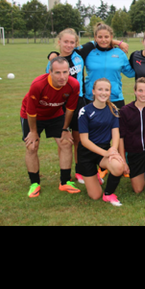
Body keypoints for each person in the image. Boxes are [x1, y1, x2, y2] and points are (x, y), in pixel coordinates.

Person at [20, 56, 81, 197]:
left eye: (65, 72)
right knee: (32, 146)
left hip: (55, 114)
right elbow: (31, 111)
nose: (62, 77)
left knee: (66, 143)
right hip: (32, 116)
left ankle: (65, 182)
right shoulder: (38, 84)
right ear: (50, 72)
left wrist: (65, 129)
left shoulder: (73, 85)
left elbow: (70, 109)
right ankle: (34, 184)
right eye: (57, 73)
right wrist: (33, 132)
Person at [78, 78, 126, 207]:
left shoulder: (113, 110)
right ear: (93, 91)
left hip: (104, 151)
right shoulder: (85, 111)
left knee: (118, 166)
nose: (103, 93)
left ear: (110, 92)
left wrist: (113, 150)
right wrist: (106, 153)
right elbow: (84, 141)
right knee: (95, 196)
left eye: (106, 90)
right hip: (86, 154)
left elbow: (116, 133)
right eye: (100, 89)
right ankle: (95, 176)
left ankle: (108, 194)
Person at [46, 28, 86, 183]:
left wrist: (119, 43)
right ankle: (65, 174)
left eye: (72, 42)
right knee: (64, 141)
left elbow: (97, 42)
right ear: (59, 42)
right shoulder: (53, 62)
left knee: (78, 139)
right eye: (65, 42)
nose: (69, 45)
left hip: (78, 102)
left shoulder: (79, 55)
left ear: (76, 43)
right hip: (60, 104)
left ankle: (80, 171)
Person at [78, 22, 134, 109]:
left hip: (115, 98)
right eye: (100, 37)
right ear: (95, 38)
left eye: (106, 37)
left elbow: (130, 73)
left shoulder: (120, 53)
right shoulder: (88, 52)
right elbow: (72, 53)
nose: (103, 40)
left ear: (111, 37)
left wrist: (140, 61)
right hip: (92, 98)